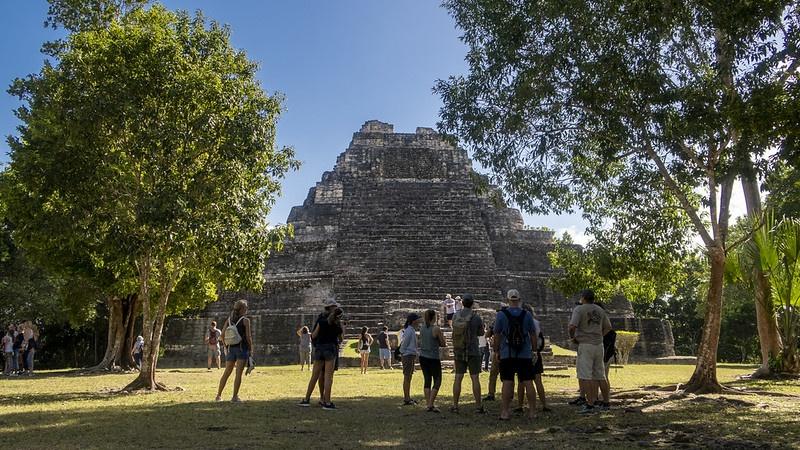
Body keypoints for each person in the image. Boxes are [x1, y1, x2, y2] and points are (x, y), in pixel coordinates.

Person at [493, 289, 537, 420]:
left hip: (507, 353)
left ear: (508, 300)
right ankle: (532, 412)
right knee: (528, 381)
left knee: (507, 381)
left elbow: (497, 334)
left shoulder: (501, 315)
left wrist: (496, 350)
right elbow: (533, 334)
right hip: (524, 353)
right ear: (519, 300)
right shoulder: (527, 314)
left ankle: (505, 412)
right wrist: (534, 351)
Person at [568, 289, 612, 414]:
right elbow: (608, 327)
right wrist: (599, 336)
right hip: (599, 345)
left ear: (583, 298)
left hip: (586, 344)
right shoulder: (599, 310)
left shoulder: (579, 309)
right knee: (600, 374)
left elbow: (572, 326)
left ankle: (590, 403)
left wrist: (573, 337)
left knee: (585, 374)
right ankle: (606, 402)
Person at [298, 298, 343, 410]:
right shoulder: (337, 323)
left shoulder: (321, 321)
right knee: (328, 376)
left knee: (315, 375)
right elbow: (341, 338)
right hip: (330, 349)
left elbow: (313, 336)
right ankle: (327, 402)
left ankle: (306, 399)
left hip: (319, 349)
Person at [451, 293, 485, 414]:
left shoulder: (456, 316)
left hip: (459, 349)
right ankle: (478, 406)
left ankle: (455, 405)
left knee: (458, 377)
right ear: (472, 303)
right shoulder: (476, 317)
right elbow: (481, 333)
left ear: (462, 303)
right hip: (473, 350)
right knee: (475, 378)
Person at [216, 299, 254, 403]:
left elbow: (222, 335)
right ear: (242, 309)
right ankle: (234, 397)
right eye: (246, 308)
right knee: (238, 374)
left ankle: (218, 395)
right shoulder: (246, 320)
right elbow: (248, 337)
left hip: (231, 349)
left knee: (226, 372)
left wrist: (225, 346)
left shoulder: (229, 320)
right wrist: (251, 349)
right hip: (242, 348)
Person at [419, 309, 446, 412]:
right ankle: (430, 404)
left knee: (427, 380)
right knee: (437, 380)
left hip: (423, 357)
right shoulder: (436, 329)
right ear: (433, 317)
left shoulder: (422, 328)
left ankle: (428, 404)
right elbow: (443, 343)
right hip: (433, 358)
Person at [399, 312, 421, 405]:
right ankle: (406, 398)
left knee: (409, 377)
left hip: (410, 355)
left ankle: (408, 397)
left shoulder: (410, 330)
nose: (419, 322)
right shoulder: (409, 330)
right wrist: (403, 353)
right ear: (413, 321)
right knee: (407, 377)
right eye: (417, 320)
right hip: (407, 355)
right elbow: (404, 343)